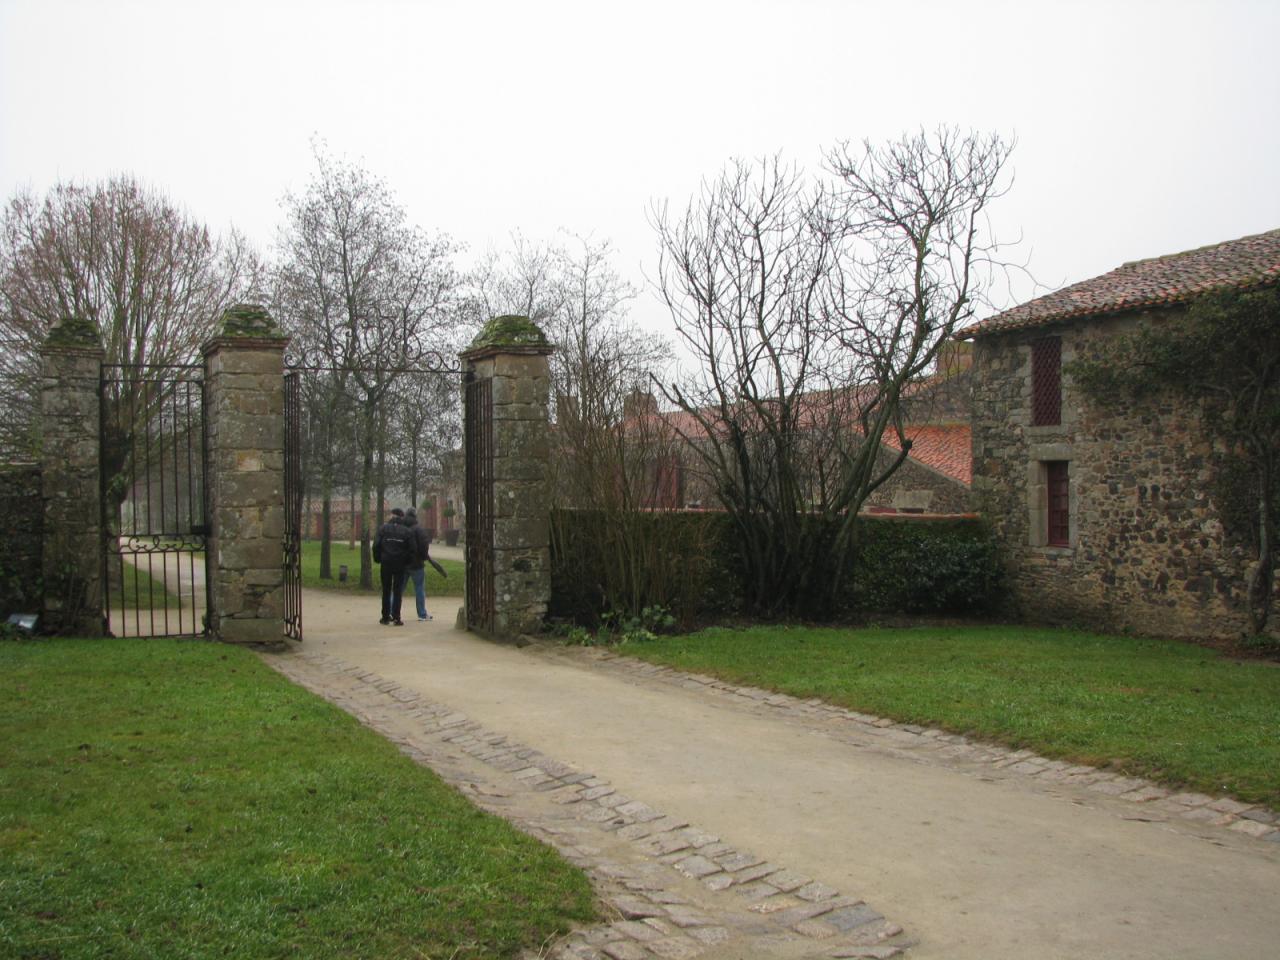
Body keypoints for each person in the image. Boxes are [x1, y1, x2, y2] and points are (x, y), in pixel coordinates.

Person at [372, 507, 419, 626]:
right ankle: (397, 617)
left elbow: (376, 545)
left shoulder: (383, 529)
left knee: (386, 590)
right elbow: (412, 549)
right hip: (400, 563)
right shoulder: (406, 531)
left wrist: (378, 559)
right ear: (401, 517)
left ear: (392, 516)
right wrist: (407, 561)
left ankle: (385, 616)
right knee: (397, 591)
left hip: (386, 562)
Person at [403, 507, 447, 621]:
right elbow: (424, 545)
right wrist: (423, 557)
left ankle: (392, 612)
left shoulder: (402, 529)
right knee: (419, 589)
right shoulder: (418, 529)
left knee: (398, 589)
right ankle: (422, 614)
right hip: (417, 564)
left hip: (403, 564)